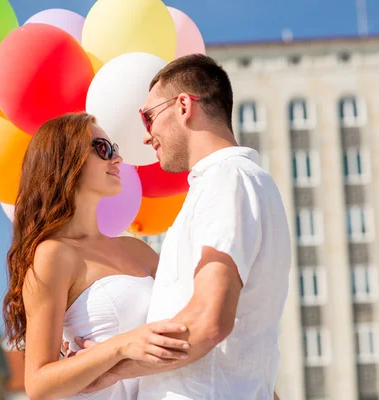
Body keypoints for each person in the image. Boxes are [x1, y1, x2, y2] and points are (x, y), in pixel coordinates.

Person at [75, 54, 292, 399]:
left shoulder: (228, 180)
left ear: (183, 106)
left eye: (148, 118)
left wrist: (103, 370)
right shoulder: (233, 183)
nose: (146, 137)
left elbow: (208, 320)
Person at [1, 113, 193, 400]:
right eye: (103, 148)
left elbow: (193, 318)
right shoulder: (54, 255)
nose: (117, 159)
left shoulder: (137, 249)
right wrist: (120, 346)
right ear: (66, 161)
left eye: (114, 148)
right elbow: (39, 383)